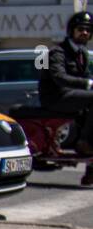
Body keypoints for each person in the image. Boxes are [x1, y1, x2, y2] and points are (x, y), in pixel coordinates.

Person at [39, 11, 93, 161]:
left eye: (88, 30)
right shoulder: (57, 52)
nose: (84, 32)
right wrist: (86, 83)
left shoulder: (82, 53)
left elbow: (87, 75)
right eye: (81, 29)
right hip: (56, 97)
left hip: (71, 96)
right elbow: (59, 77)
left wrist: (89, 81)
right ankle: (84, 143)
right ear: (71, 30)